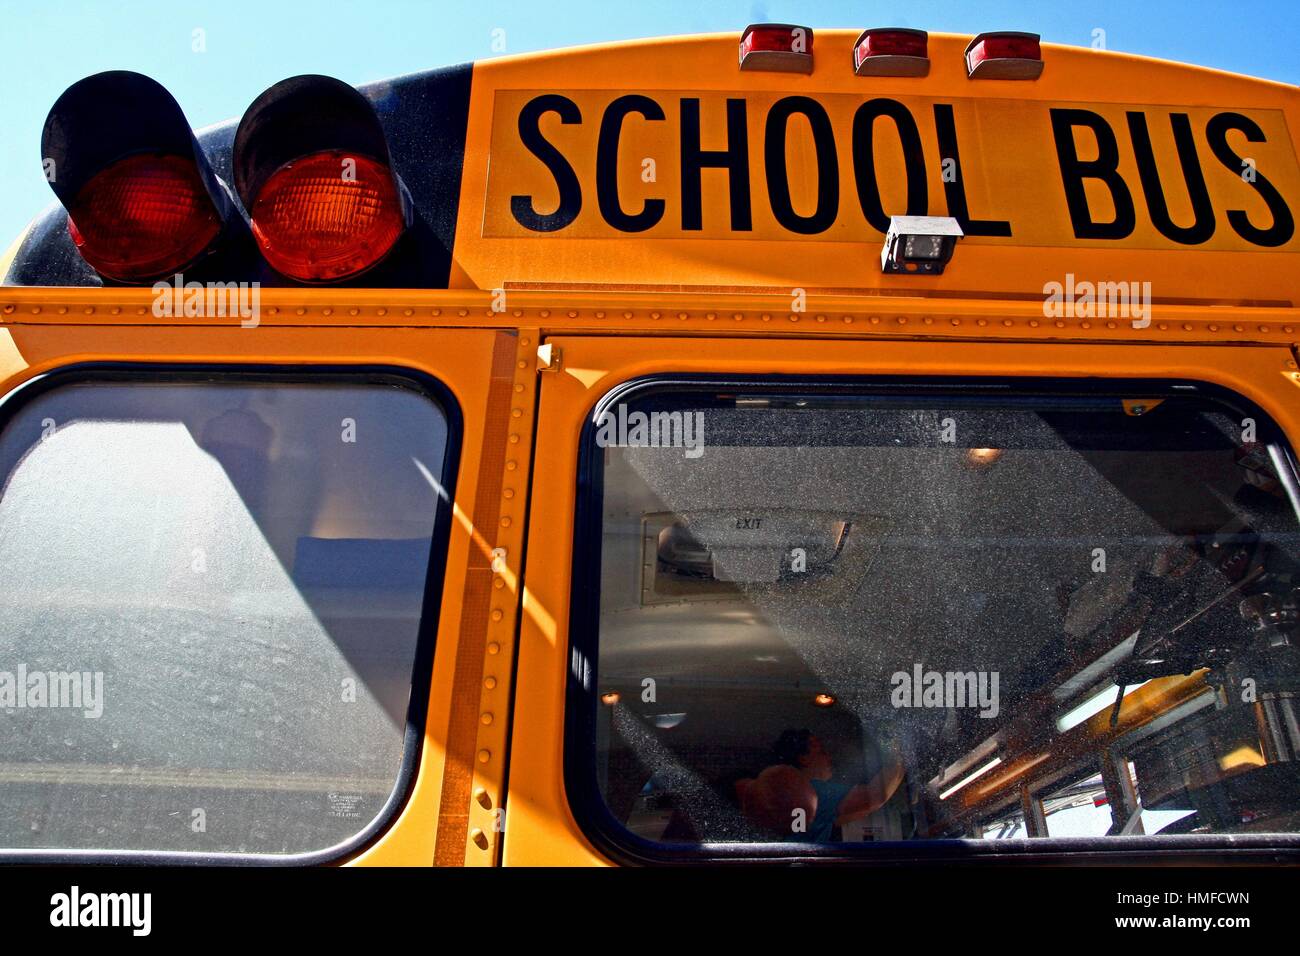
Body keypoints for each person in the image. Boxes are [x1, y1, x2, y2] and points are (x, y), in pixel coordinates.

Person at [736, 728, 904, 841]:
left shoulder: (792, 802)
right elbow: (874, 797)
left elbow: (853, 813)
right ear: (804, 758)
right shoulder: (816, 791)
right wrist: (899, 755)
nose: (829, 759)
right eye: (823, 752)